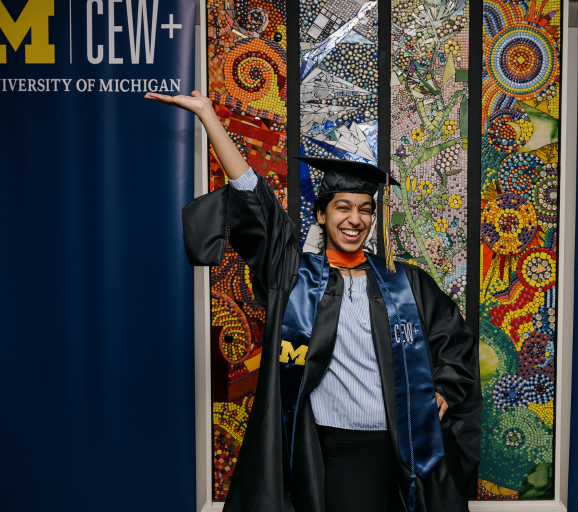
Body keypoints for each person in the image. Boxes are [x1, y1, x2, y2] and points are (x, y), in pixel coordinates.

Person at [146, 91, 482, 512]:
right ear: (321, 214)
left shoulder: (404, 282)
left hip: (408, 449)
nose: (355, 219)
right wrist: (208, 116)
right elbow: (256, 204)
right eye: (342, 207)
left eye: (365, 209)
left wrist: (447, 388)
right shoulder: (296, 277)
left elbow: (454, 341)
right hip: (334, 449)